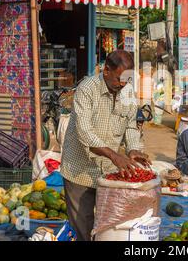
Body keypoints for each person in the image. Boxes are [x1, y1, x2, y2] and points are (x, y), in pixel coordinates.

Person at [60, 50, 151, 241]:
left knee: (109, 226)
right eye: (119, 79)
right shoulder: (87, 89)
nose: (123, 84)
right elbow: (84, 131)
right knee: (83, 229)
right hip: (80, 170)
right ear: (106, 70)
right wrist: (114, 155)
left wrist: (133, 148)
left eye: (127, 79)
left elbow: (130, 124)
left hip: (109, 172)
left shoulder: (126, 91)